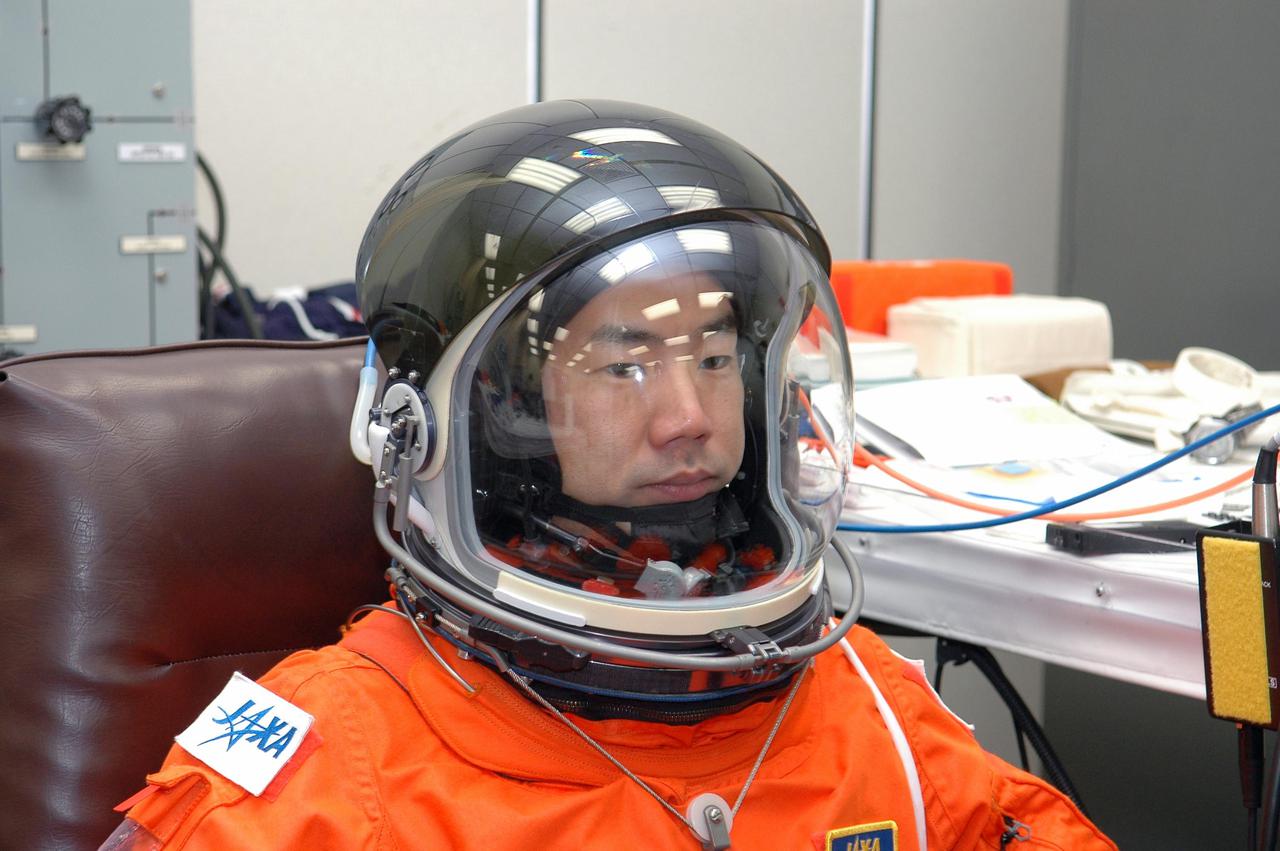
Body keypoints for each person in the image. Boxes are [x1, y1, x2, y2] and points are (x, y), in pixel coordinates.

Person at [102, 100, 1115, 850]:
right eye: (623, 365)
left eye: (712, 358)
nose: (687, 417)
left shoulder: (872, 711)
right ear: (475, 414)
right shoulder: (333, 766)